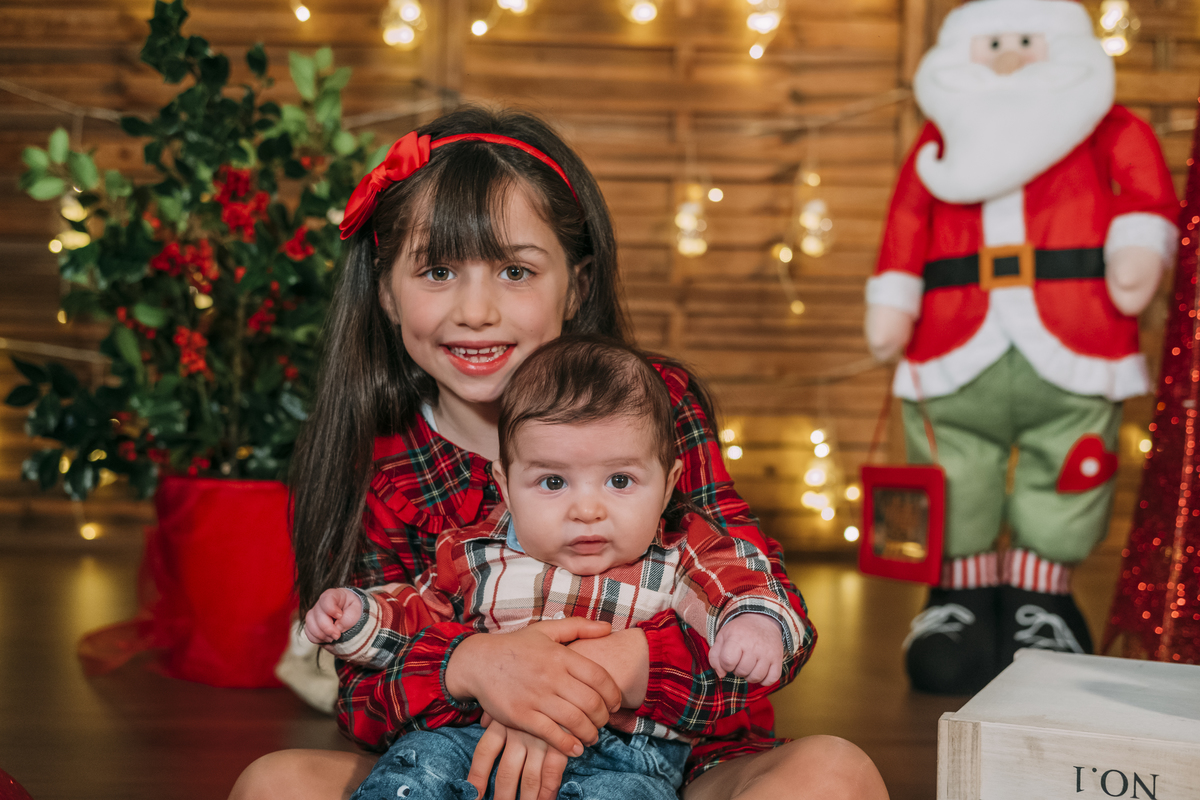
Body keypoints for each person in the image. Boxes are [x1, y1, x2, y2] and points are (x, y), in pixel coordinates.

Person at [229, 105, 889, 800]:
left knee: (834, 775)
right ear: (387, 292)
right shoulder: (388, 462)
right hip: (460, 764)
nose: (476, 310)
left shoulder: (657, 401)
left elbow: (759, 608)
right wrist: (478, 667)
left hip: (669, 761)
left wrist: (617, 669)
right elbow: (364, 703)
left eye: (515, 271)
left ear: (574, 285)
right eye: (437, 272)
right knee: (275, 784)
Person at [305, 335, 811, 800]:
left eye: (619, 481)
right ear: (504, 487)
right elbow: (418, 613)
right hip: (478, 744)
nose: (586, 510)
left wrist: (753, 621)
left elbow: (740, 581)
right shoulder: (476, 553)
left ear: (669, 482)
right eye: (552, 483)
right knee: (415, 769)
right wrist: (360, 618)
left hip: (627, 757)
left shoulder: (680, 551)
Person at [863, 0, 1177, 694]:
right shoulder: (940, 140)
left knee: (1070, 466)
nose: (1009, 57)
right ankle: (959, 602)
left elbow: (1146, 194)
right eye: (994, 43)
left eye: (1027, 41)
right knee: (952, 468)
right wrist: (894, 299)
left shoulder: (1109, 128)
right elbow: (908, 219)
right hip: (952, 337)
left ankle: (1043, 600)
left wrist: (1137, 249)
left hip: (1075, 333)